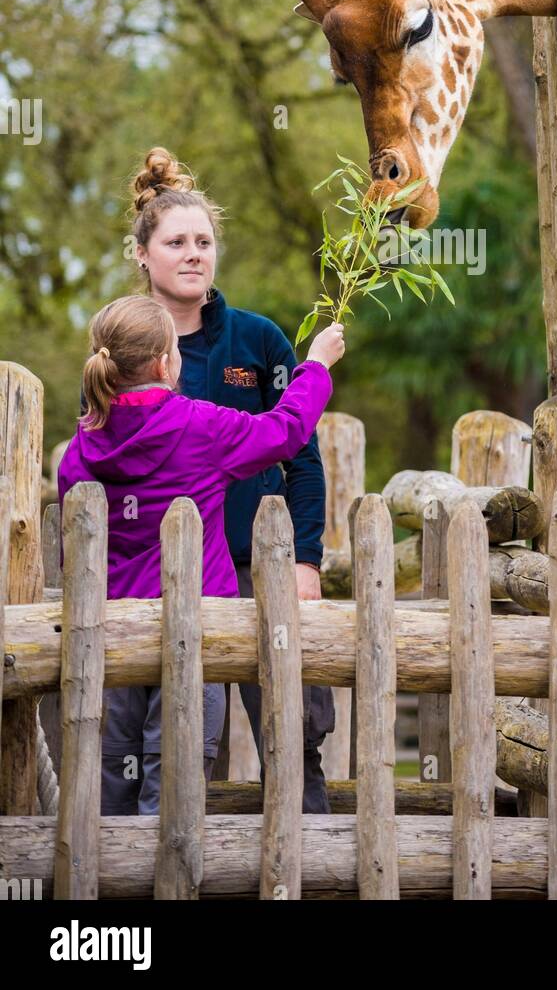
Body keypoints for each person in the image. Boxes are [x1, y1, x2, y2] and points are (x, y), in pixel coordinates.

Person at [58, 294, 344, 815]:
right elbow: (285, 431)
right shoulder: (200, 427)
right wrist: (317, 366)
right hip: (192, 635)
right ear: (167, 364)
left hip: (112, 637)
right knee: (175, 783)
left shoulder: (81, 448)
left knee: (112, 786)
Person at [124, 147, 339, 809]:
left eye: (204, 241)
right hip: (157, 573)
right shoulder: (126, 344)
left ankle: (313, 861)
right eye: (176, 242)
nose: (193, 254)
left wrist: (304, 559)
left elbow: (298, 455)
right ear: (142, 255)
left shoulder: (258, 340)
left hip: (257, 566)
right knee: (176, 736)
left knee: (292, 724)